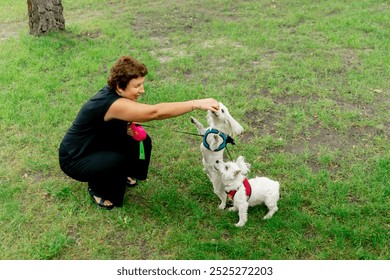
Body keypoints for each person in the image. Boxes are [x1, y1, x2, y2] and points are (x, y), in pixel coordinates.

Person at [59, 55, 220, 210]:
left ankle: (125, 174)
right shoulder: (111, 103)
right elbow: (155, 113)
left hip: (97, 143)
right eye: (137, 86)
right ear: (119, 87)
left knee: (142, 140)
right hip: (75, 157)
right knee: (114, 161)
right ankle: (97, 188)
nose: (142, 90)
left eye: (142, 84)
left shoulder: (117, 94)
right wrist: (195, 104)